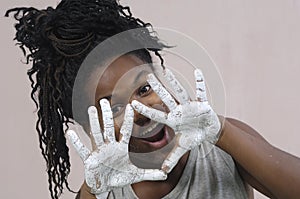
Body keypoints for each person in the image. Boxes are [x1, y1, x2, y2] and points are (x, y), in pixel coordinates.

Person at [5, 0, 300, 199]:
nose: (143, 111)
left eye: (144, 88)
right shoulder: (104, 188)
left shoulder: (221, 145)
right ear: (90, 125)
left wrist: (224, 132)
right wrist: (93, 193)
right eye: (116, 108)